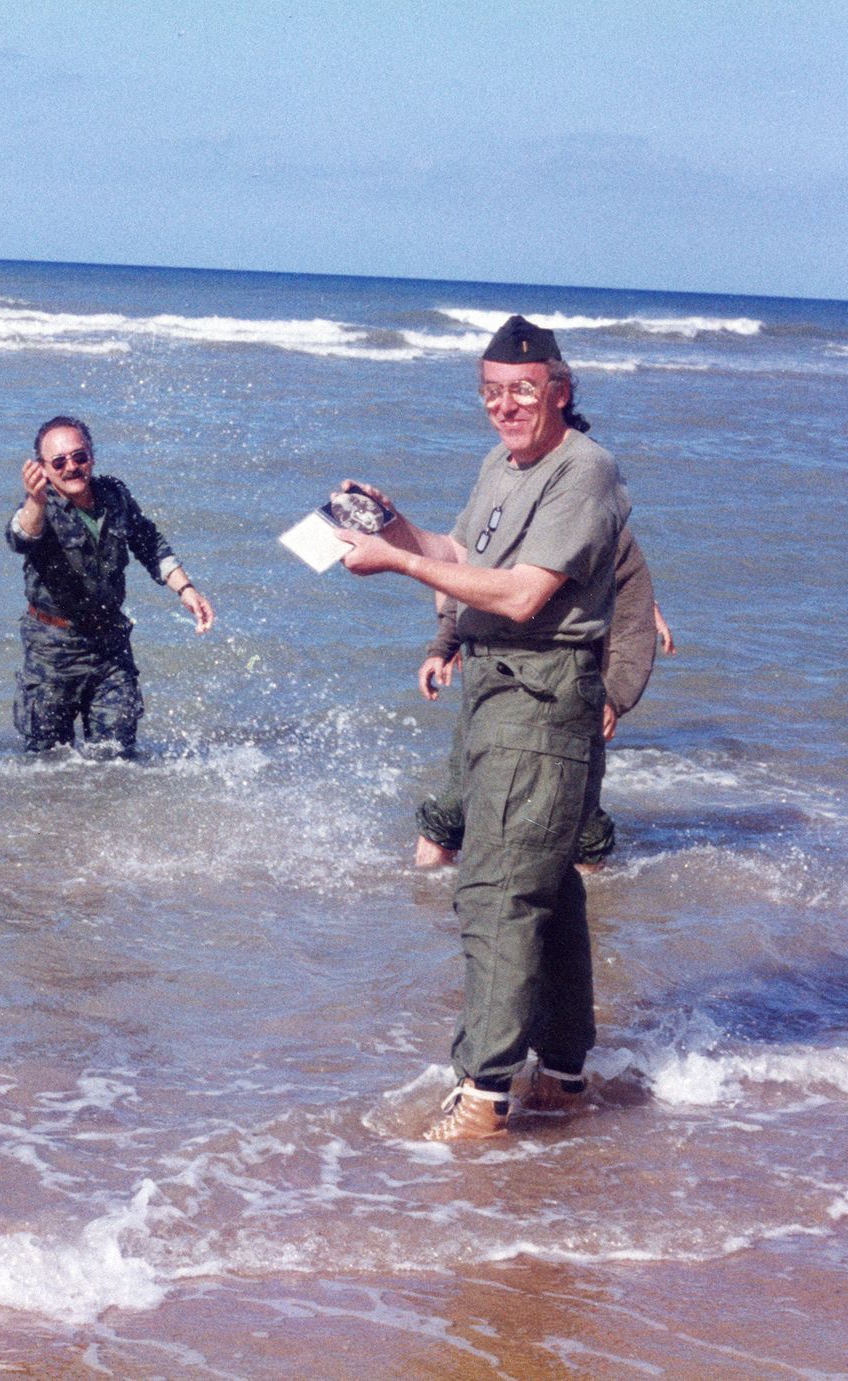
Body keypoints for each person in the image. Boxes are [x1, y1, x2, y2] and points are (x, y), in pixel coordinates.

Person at [333, 316, 630, 1141]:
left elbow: (521, 595)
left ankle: (485, 1093)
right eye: (491, 393)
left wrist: (396, 564)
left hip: (543, 699)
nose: (504, 407)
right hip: (497, 696)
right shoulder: (500, 464)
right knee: (548, 887)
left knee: (495, 889)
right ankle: (564, 1077)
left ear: (560, 392)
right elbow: (464, 556)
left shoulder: (586, 469)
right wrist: (397, 531)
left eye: (522, 393)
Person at [414, 527, 676, 871]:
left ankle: (592, 915)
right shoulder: (508, 510)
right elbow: (468, 579)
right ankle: (425, 906)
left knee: (580, 821)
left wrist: (614, 697)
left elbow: (632, 621)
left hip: (573, 686)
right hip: (495, 675)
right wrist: (444, 646)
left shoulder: (604, 527)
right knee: (457, 804)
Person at [5, 416, 214, 756]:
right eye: (58, 462)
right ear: (43, 469)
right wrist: (36, 501)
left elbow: (149, 542)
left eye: (79, 457)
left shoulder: (114, 497)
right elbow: (20, 537)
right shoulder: (38, 509)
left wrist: (186, 589)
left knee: (116, 760)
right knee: (46, 764)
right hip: (52, 653)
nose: (71, 467)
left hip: (110, 649)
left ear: (92, 456)